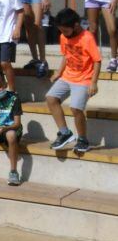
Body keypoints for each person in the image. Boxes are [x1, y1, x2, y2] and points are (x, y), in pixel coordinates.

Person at [46, 8, 101, 153]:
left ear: (76, 25)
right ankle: (64, 133)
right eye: (61, 31)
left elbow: (97, 61)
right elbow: (66, 55)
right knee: (51, 98)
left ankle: (83, 139)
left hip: (84, 79)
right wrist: (59, 72)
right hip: (68, 76)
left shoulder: (87, 37)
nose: (63, 34)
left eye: (65, 31)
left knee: (76, 108)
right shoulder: (64, 37)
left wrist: (94, 82)